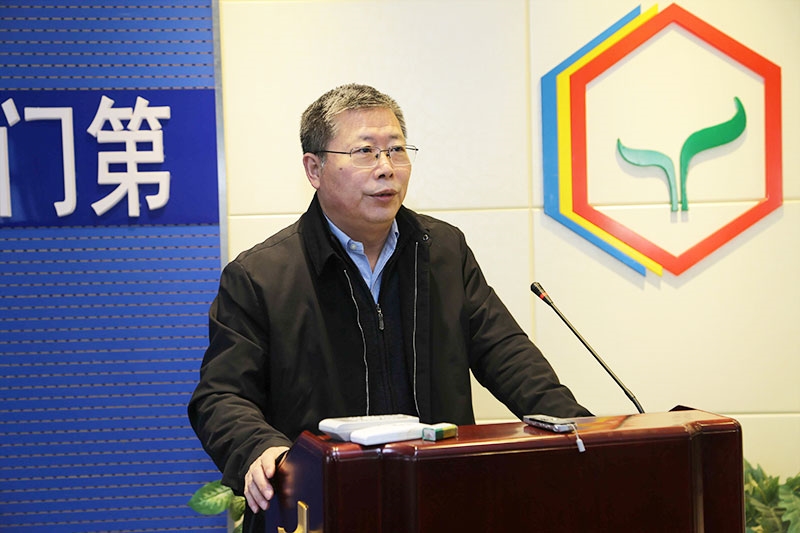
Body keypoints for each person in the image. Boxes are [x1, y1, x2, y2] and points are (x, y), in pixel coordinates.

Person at [188, 83, 591, 529]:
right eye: (365, 151)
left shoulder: (443, 252)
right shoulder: (260, 276)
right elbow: (221, 396)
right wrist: (260, 448)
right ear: (314, 168)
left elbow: (507, 355)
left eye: (396, 150)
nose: (386, 168)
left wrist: (580, 432)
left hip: (438, 503)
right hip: (320, 510)